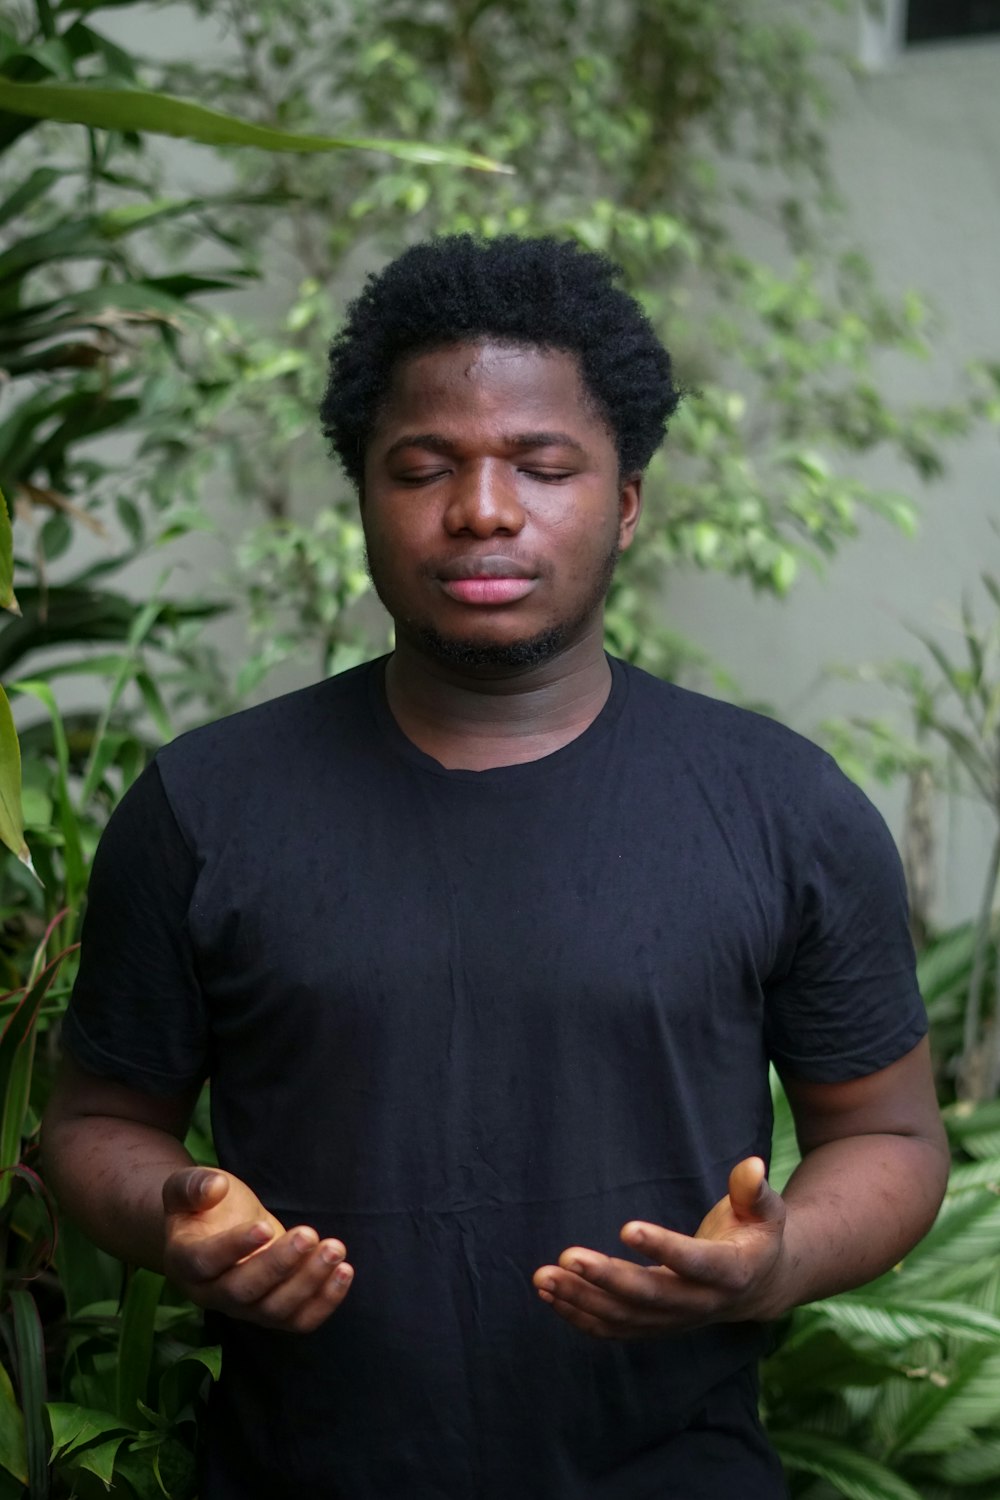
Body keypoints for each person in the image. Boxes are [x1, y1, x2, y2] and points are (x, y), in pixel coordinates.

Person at [43, 235, 949, 1499]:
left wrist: (779, 1257)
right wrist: (171, 1217)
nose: (481, 507)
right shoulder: (206, 805)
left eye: (541, 464)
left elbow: (892, 1136)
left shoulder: (776, 805)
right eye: (423, 466)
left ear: (625, 500)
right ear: (363, 493)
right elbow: (96, 1121)